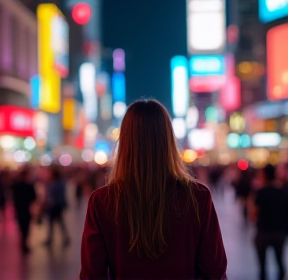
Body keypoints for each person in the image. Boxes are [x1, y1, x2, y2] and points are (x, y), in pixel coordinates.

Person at [80, 99, 227, 280]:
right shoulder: (198, 198)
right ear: (169, 141)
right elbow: (215, 271)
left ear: (125, 143)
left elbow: (92, 275)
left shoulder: (102, 202)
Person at [251, 164, 288, 280]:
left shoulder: (260, 193)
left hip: (263, 233)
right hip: (279, 233)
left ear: (264, 175)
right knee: (280, 262)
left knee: (262, 267)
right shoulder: (283, 192)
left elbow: (253, 215)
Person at [11, 167, 37, 253]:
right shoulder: (29, 186)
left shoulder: (16, 186)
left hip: (19, 209)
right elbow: (34, 197)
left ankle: (23, 241)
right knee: (26, 226)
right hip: (26, 209)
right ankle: (24, 242)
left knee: (22, 226)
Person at [43, 165, 70, 247]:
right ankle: (64, 238)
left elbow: (51, 196)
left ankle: (51, 239)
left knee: (53, 222)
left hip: (54, 206)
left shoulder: (54, 184)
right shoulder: (61, 183)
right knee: (60, 222)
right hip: (59, 205)